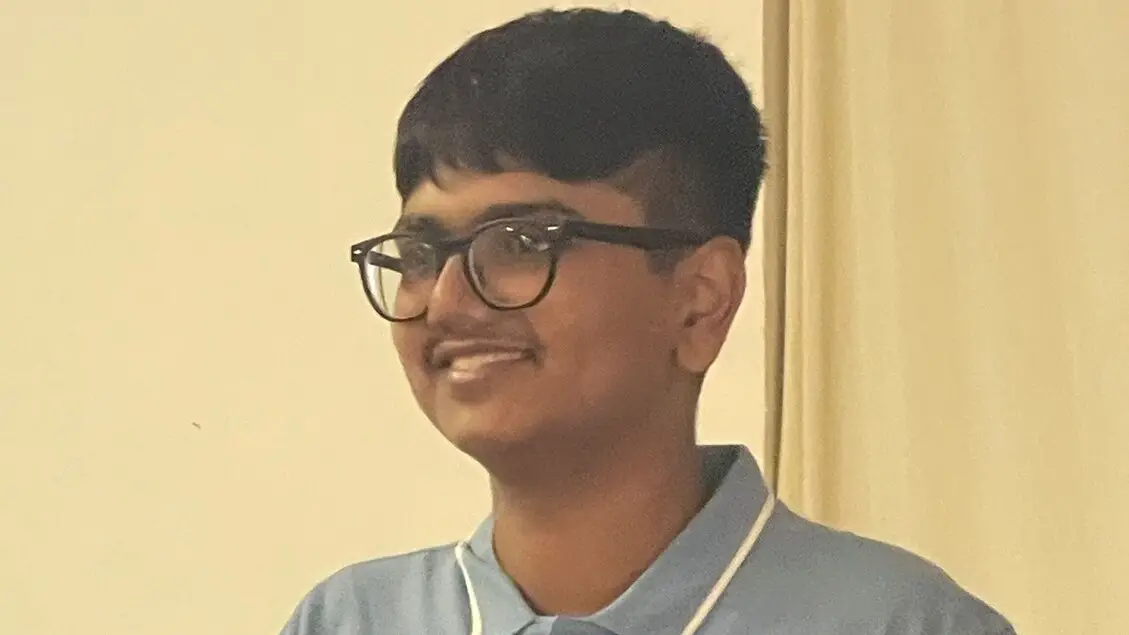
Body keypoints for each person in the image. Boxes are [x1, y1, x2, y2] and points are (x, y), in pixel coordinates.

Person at [281, 8, 1014, 635]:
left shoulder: (899, 622)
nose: (445, 300)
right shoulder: (352, 619)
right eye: (419, 253)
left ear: (701, 298)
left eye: (522, 243)